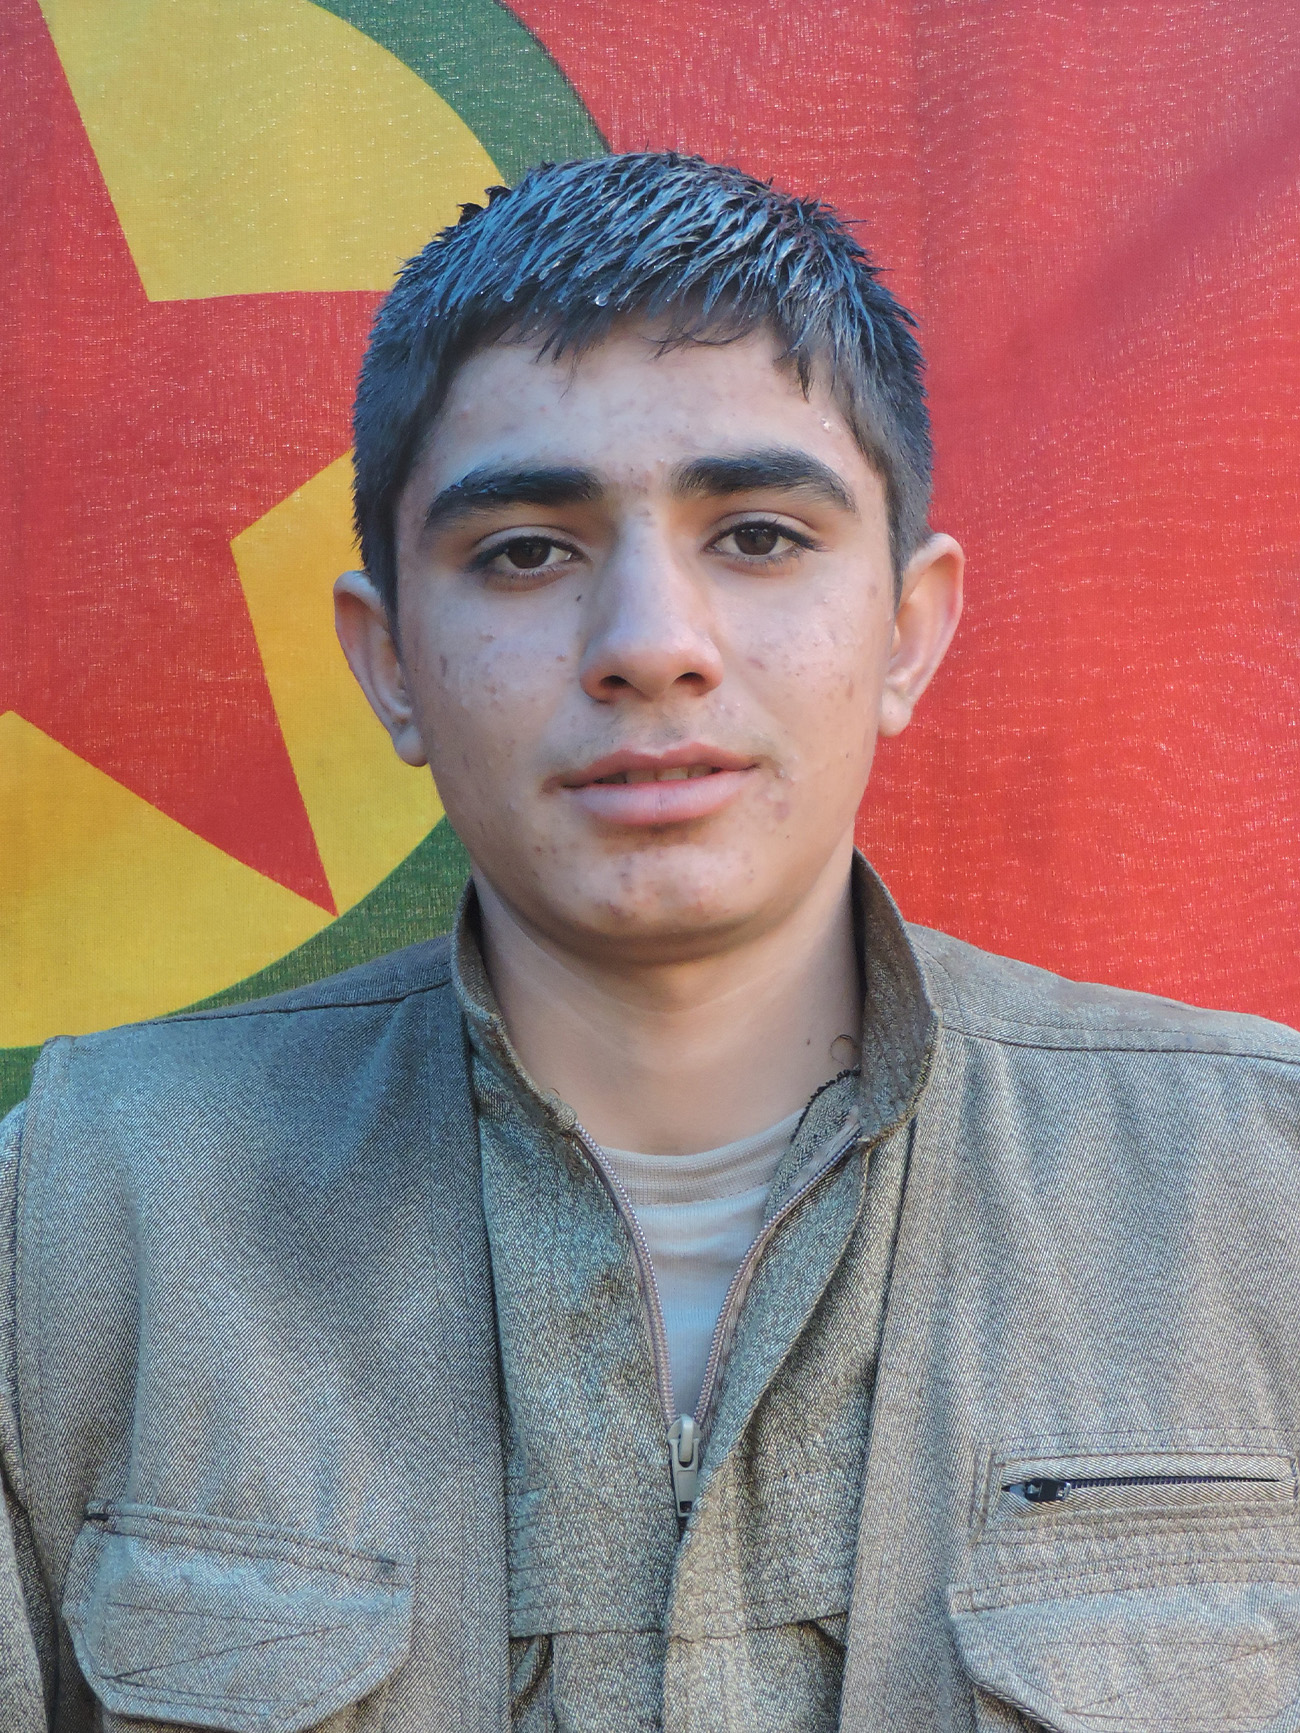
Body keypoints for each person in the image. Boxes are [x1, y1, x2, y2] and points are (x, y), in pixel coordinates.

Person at [3, 152, 1298, 1733]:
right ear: (390, 660)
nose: (649, 646)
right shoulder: (79, 1228)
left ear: (907, 628)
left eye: (757, 534)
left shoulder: (1262, 1200)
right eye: (526, 550)